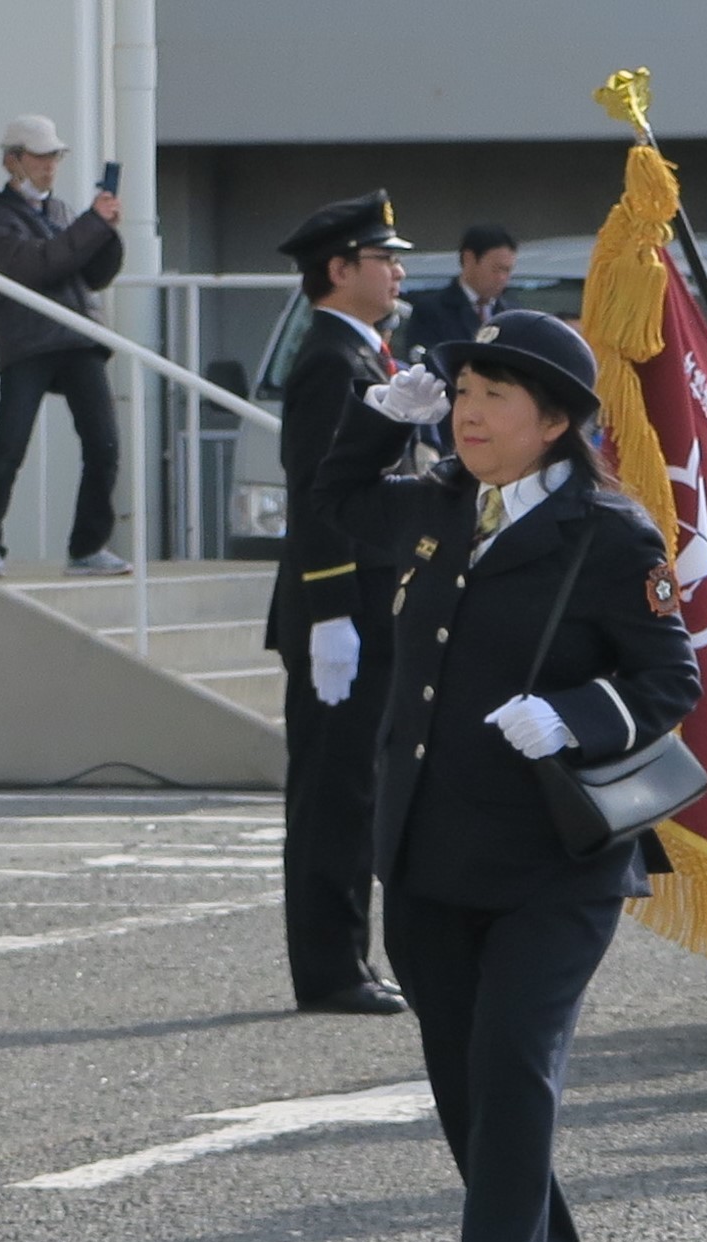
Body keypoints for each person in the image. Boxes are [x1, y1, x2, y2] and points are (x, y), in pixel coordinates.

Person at [311, 309, 700, 1242]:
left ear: (558, 420)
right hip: (430, 846)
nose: (470, 414)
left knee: (513, 1061)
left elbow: (671, 678)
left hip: (552, 858)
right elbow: (337, 502)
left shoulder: (611, 535)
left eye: (495, 396)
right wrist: (376, 422)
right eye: (462, 392)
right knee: (463, 1080)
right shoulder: (438, 505)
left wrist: (575, 717)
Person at [265, 191, 415, 1017]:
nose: (397, 270)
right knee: (333, 791)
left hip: (370, 604)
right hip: (342, 609)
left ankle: (348, 955)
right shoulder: (331, 359)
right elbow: (316, 496)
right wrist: (327, 612)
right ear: (338, 270)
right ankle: (328, 967)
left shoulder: (367, 356)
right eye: (381, 257)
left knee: (357, 784)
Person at [0, 114, 129, 578]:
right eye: (40, 156)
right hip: (30, 342)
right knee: (9, 445)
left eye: (54, 156)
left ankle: (87, 547)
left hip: (75, 337)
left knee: (104, 443)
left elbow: (91, 274)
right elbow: (36, 267)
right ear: (12, 161)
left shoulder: (59, 213)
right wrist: (93, 226)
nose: (49, 165)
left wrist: (105, 230)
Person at [403, 223, 518, 358]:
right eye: (496, 269)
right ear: (468, 259)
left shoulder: (512, 314)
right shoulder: (431, 311)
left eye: (507, 270)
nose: (502, 278)